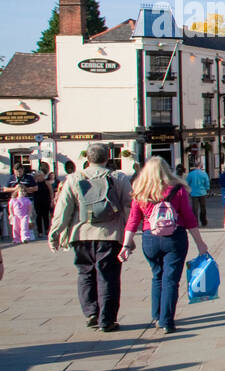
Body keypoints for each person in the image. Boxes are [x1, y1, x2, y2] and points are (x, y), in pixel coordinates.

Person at [118, 157, 211, 333]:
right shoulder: (178, 190)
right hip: (175, 237)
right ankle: (166, 321)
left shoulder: (141, 191)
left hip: (149, 237)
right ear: (167, 170)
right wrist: (200, 243)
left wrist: (125, 245)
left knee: (157, 275)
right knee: (171, 279)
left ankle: (157, 315)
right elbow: (189, 217)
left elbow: (133, 220)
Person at [48, 142, 134, 332]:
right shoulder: (118, 177)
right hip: (110, 235)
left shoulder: (74, 178)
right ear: (107, 158)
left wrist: (55, 233)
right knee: (108, 277)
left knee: (85, 274)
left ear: (87, 158)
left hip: (81, 234)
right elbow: (130, 206)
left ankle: (91, 313)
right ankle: (107, 319)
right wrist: (130, 233)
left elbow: (63, 210)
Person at [32, 162, 52, 237]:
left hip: (46, 201)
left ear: (43, 176)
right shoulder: (35, 184)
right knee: (38, 216)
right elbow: (31, 190)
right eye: (38, 176)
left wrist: (52, 200)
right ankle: (40, 231)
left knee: (46, 216)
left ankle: (47, 229)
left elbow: (51, 191)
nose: (39, 177)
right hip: (37, 201)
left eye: (41, 176)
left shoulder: (46, 183)